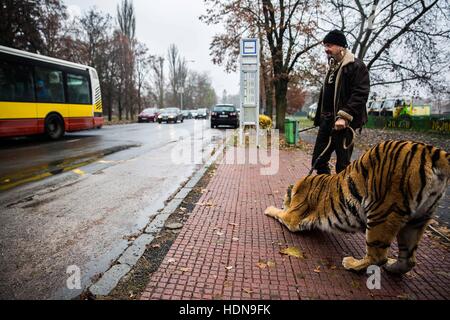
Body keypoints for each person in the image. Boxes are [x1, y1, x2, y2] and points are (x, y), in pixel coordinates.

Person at [312, 30, 370, 174]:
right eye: (325, 45)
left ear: (341, 47)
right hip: (327, 121)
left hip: (344, 124)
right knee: (318, 161)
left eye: (329, 45)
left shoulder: (356, 66)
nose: (326, 49)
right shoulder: (332, 67)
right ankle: (326, 190)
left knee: (342, 166)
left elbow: (360, 94)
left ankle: (342, 195)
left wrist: (344, 116)